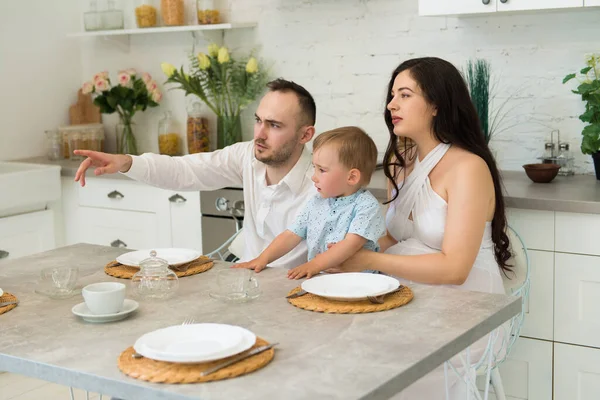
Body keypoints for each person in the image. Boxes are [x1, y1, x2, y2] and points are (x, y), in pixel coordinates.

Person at [330, 57, 512, 399]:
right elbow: (394, 236)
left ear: (435, 105)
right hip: (412, 295)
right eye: (392, 95)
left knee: (380, 372)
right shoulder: (402, 163)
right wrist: (349, 252)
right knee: (338, 348)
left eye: (405, 94)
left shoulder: (467, 168)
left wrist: (371, 262)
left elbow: (456, 269)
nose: (391, 104)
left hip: (468, 307)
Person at [73, 79, 318, 269]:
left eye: (274, 125)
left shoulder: (323, 184)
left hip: (295, 297)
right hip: (248, 285)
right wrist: (126, 162)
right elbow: (185, 170)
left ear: (305, 135)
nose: (259, 134)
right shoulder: (247, 156)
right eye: (258, 121)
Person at [234, 127, 385, 279]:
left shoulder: (366, 206)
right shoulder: (316, 202)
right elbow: (290, 235)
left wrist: (313, 265)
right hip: (322, 279)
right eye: (314, 168)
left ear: (351, 177)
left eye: (322, 170)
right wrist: (263, 259)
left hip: (359, 282)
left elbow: (349, 245)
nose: (314, 177)